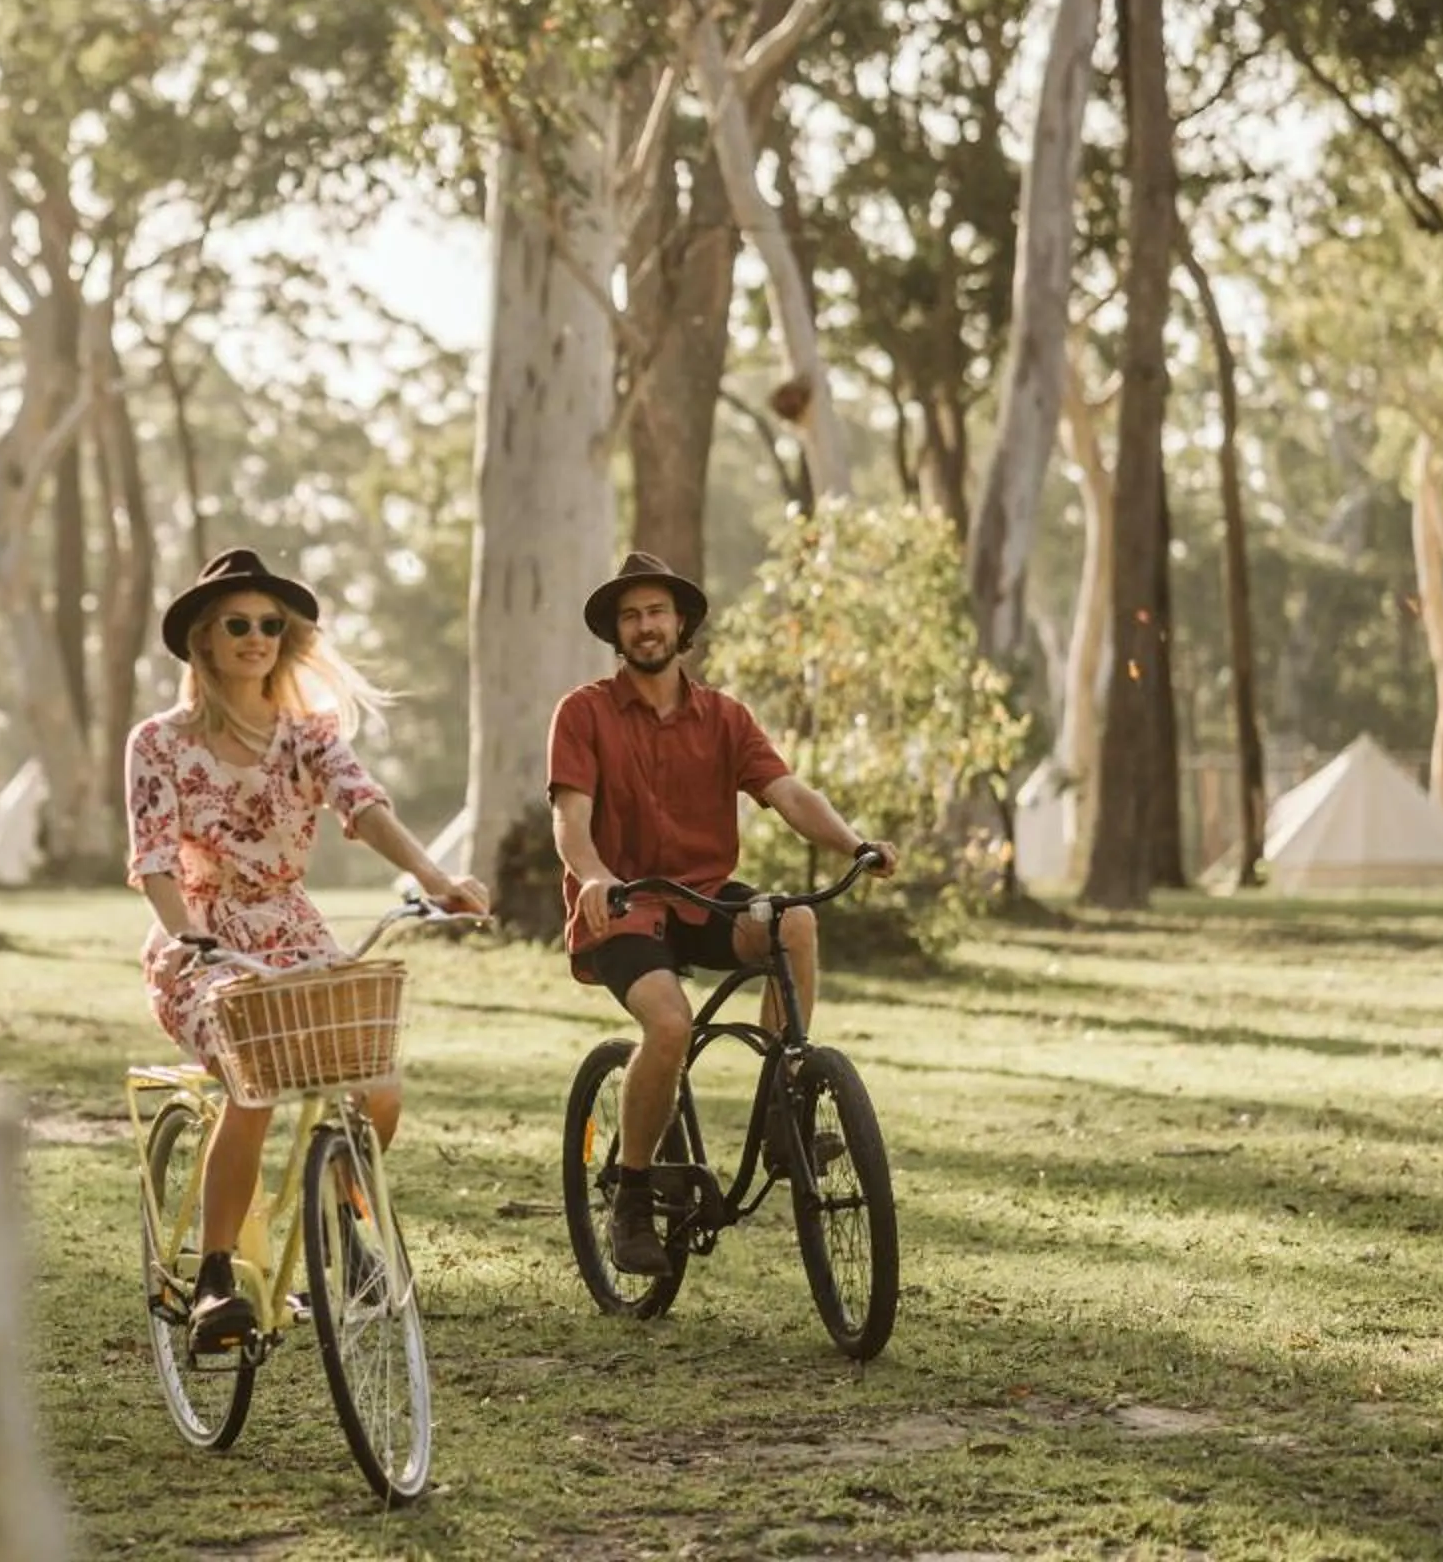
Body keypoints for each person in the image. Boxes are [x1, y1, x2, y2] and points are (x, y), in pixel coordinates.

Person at [126, 547, 489, 1350]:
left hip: (295, 929)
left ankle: (336, 1208)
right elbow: (153, 860)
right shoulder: (159, 743)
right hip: (204, 937)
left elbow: (364, 808)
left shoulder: (308, 735)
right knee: (254, 1087)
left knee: (379, 1081)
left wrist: (437, 877)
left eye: (270, 625)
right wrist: (192, 933)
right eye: (237, 625)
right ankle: (217, 1280)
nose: (256, 637)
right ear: (204, 642)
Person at [547, 550, 897, 1280]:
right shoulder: (583, 712)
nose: (645, 627)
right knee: (670, 1027)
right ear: (618, 632)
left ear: (683, 624)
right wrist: (594, 878)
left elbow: (790, 793)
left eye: (657, 613)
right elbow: (570, 820)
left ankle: (783, 1112)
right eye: (631, 616)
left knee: (793, 923)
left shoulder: (724, 717)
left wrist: (855, 844)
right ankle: (633, 1195)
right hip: (622, 906)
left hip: (703, 895)